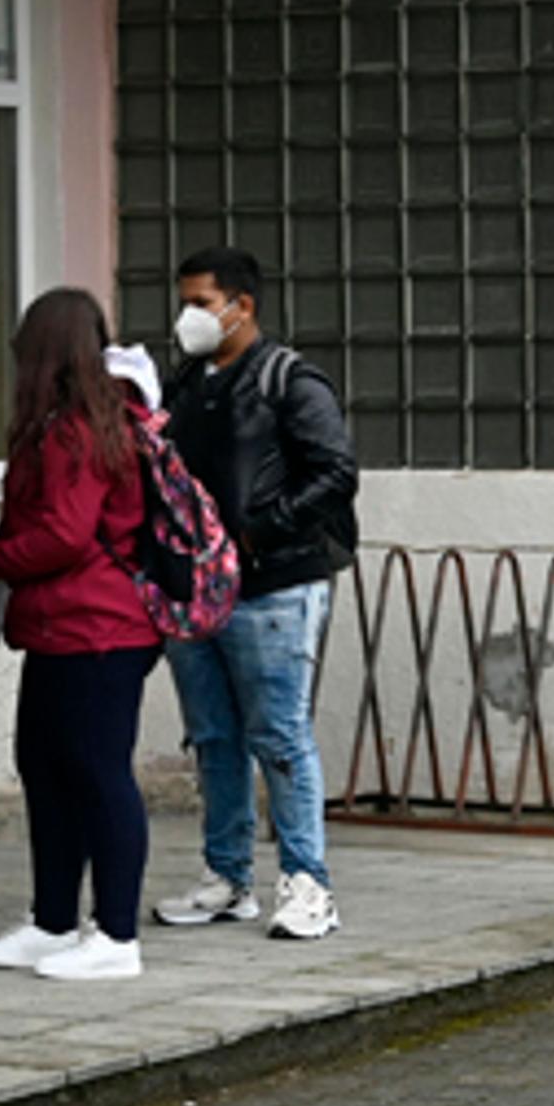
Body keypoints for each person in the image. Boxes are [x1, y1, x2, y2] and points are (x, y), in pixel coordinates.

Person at [154, 247, 357, 942]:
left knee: (278, 734)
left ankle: (308, 883)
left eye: (202, 303)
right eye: (185, 302)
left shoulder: (289, 380)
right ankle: (227, 875)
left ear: (243, 306)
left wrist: (260, 529)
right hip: (197, 587)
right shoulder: (186, 384)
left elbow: (336, 472)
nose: (188, 317)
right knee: (214, 736)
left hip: (275, 584)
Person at [0, 291, 166, 982]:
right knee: (49, 769)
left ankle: (115, 935)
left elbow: (63, 535)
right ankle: (52, 921)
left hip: (96, 629)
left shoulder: (75, 432)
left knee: (98, 775)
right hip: (73, 629)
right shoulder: (92, 421)